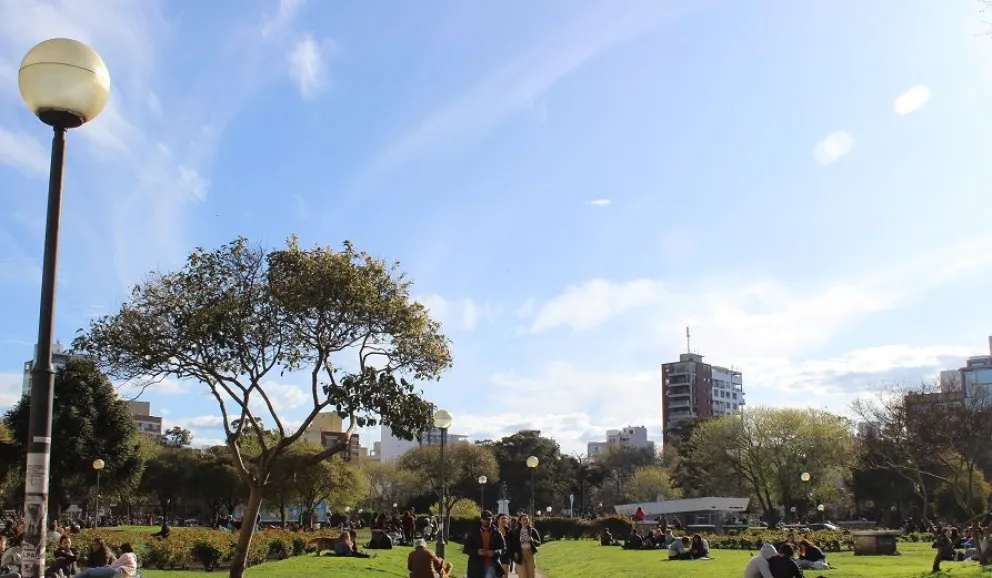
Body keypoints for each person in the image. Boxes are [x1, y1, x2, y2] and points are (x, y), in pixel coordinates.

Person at [462, 510, 506, 578]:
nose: (486, 521)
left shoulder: (497, 533)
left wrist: (494, 552)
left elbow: (504, 548)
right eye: (484, 519)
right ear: (481, 520)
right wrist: (477, 552)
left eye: (488, 519)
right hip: (475, 565)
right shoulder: (473, 532)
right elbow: (466, 549)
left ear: (492, 519)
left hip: (491, 564)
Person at [73, 542, 137, 578]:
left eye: (120, 549)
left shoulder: (126, 555)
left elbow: (114, 565)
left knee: (89, 571)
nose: (119, 551)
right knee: (89, 573)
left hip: (118, 571)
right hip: (120, 571)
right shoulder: (131, 556)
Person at [507, 514, 541, 578]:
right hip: (520, 555)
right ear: (520, 521)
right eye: (524, 519)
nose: (526, 520)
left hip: (530, 554)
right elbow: (511, 546)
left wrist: (533, 540)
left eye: (527, 519)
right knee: (523, 575)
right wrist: (514, 555)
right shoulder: (515, 532)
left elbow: (539, 542)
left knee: (531, 575)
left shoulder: (532, 530)